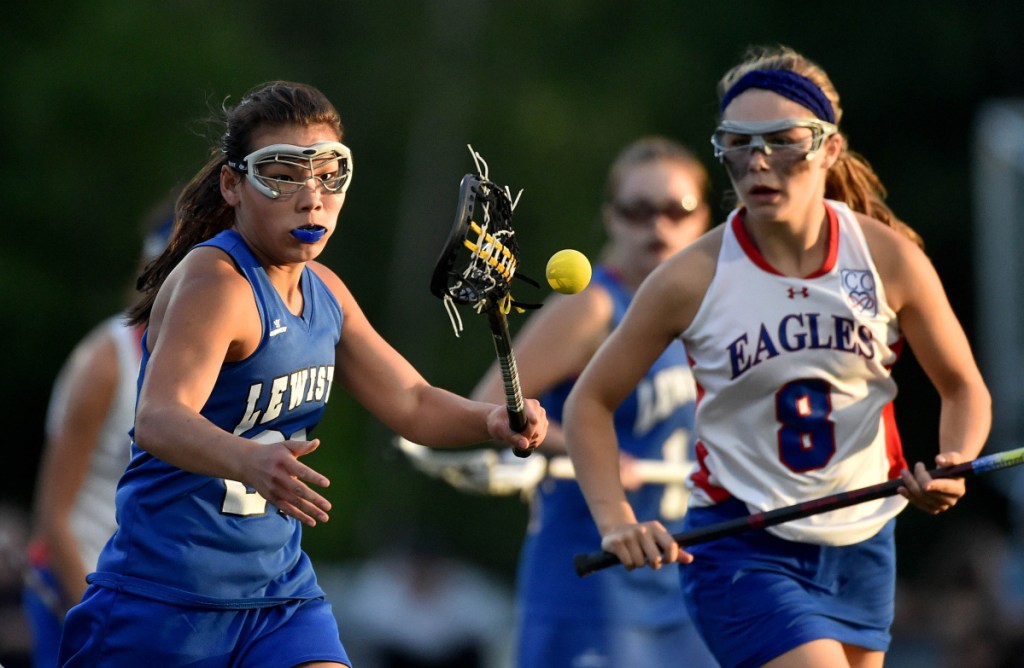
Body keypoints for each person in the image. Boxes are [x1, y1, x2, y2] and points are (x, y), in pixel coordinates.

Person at [56, 80, 546, 668]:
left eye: (328, 173)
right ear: (233, 185)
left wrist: (489, 419)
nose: (311, 198)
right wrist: (248, 460)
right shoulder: (217, 283)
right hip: (163, 600)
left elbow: (412, 402)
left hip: (277, 597)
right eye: (282, 175)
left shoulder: (326, 293)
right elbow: (159, 420)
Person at [563, 45, 992, 668]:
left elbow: (963, 387)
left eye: (783, 141)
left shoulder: (887, 257)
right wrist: (615, 520)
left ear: (830, 150)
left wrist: (956, 460)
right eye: (738, 144)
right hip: (743, 547)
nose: (759, 162)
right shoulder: (691, 278)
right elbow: (589, 403)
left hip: (865, 540)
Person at [471, 137, 718, 667]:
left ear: (704, 220)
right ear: (612, 218)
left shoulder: (709, 315)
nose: (658, 226)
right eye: (638, 210)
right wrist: (587, 453)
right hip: (592, 569)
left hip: (685, 564)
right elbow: (488, 409)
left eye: (678, 210)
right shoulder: (593, 307)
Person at [22, 198, 174, 667]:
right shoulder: (108, 361)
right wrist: (94, 615)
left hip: (152, 606)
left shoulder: (222, 367)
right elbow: (54, 512)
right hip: (81, 589)